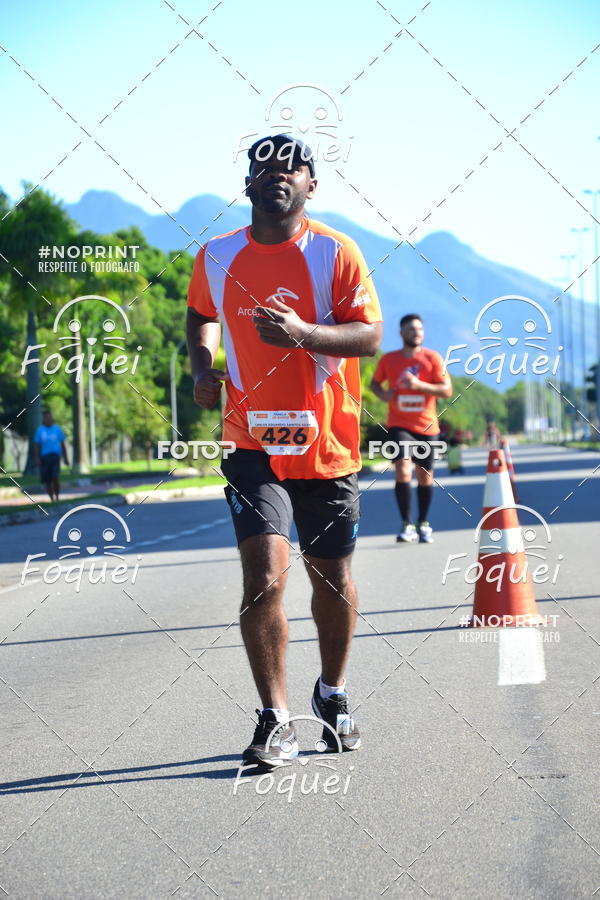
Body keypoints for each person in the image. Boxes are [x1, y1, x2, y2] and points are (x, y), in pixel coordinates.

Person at [186, 134, 382, 768]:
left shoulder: (336, 252)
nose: (276, 174)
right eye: (263, 166)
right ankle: (275, 717)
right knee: (263, 576)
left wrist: (304, 334)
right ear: (247, 182)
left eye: (291, 168)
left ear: (310, 186)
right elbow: (199, 314)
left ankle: (332, 692)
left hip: (327, 445)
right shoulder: (216, 255)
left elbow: (369, 335)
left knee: (332, 579)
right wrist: (202, 361)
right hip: (251, 442)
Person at [371, 314, 451, 543]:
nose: (416, 333)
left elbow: (446, 390)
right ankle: (406, 525)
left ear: (423, 333)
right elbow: (374, 384)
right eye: (411, 329)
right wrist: (383, 394)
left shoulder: (432, 359)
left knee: (425, 476)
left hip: (427, 426)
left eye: (419, 329)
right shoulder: (389, 360)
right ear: (401, 332)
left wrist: (419, 385)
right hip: (399, 425)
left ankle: (423, 523)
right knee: (403, 469)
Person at [34, 410, 69, 502]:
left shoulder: (57, 429)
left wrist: (65, 458)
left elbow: (62, 444)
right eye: (46, 418)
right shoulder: (40, 430)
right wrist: (37, 458)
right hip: (45, 457)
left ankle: (57, 496)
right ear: (44, 419)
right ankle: (52, 499)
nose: (48, 419)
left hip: (55, 456)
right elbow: (37, 446)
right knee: (48, 480)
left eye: (50, 417)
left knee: (55, 477)